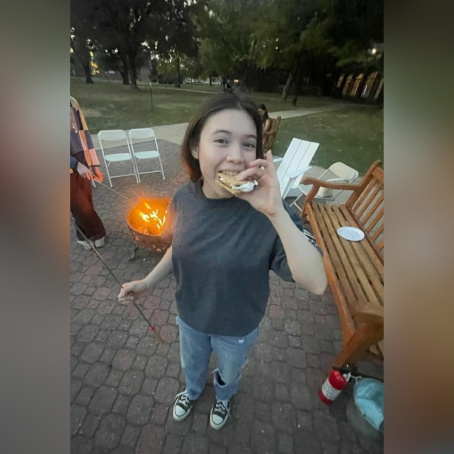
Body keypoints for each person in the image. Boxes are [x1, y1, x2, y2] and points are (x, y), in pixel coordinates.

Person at [118, 94, 327, 430]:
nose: (236, 156)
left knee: (229, 372)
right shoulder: (183, 198)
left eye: (248, 144)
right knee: (193, 364)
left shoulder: (267, 212)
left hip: (237, 327)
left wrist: (276, 212)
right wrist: (147, 283)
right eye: (221, 140)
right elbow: (179, 248)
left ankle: (225, 397)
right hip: (191, 317)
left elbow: (317, 282)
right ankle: (193, 390)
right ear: (196, 147)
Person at [70, 97, 106, 250]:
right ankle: (98, 232)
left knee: (86, 201)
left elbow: (85, 135)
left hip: (82, 158)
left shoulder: (73, 102)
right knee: (78, 204)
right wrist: (75, 164)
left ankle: (82, 235)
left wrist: (93, 164)